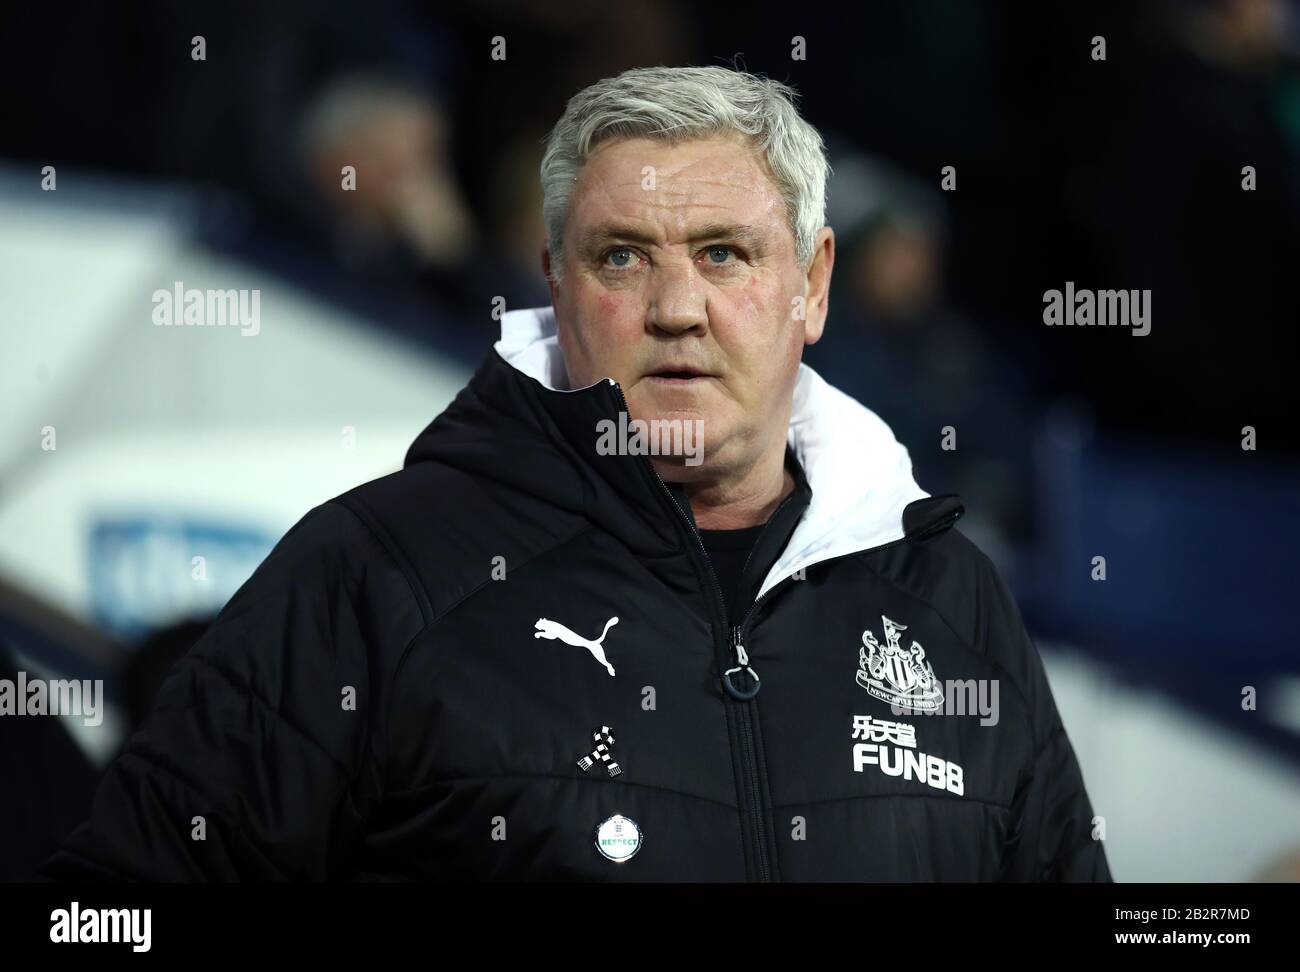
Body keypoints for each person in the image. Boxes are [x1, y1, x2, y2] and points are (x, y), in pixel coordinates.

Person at [42, 65, 1109, 882]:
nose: (676, 308)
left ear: (814, 285)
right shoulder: (375, 571)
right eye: (622, 257)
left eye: (726, 255)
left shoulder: (949, 599)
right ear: (552, 281)